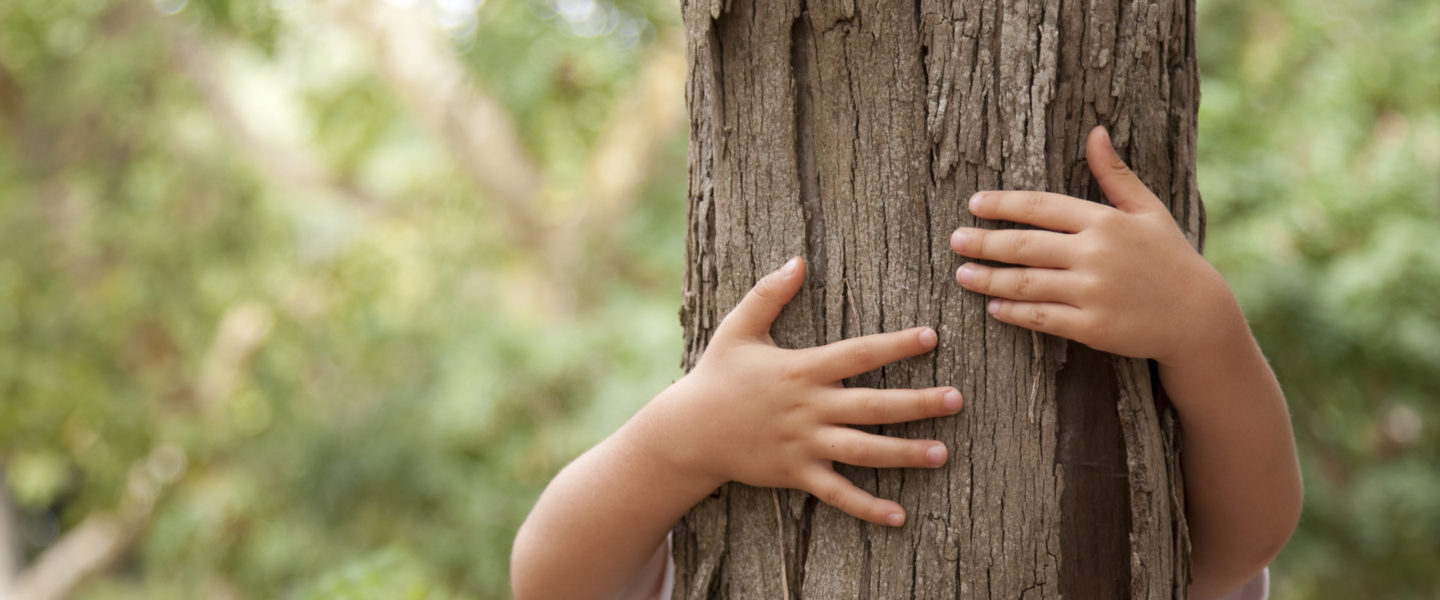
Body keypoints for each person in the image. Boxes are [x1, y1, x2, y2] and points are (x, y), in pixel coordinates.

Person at [509, 127, 1302, 600]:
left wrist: (1204, 332)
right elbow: (553, 584)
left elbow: (1232, 548)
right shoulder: (728, 541)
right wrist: (682, 438)